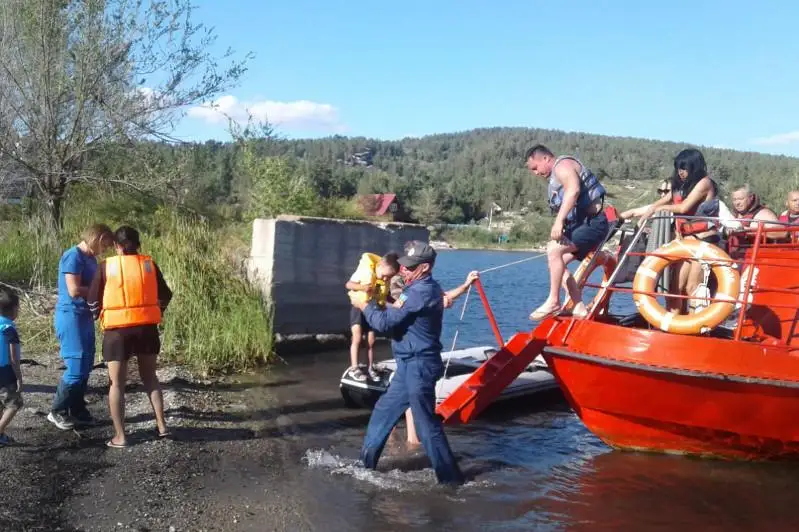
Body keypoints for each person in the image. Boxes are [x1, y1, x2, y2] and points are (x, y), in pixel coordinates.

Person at [350, 240, 463, 484]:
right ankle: (364, 466)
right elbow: (395, 315)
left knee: (425, 423)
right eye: (403, 266)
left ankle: (451, 480)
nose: (404, 271)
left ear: (425, 268)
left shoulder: (421, 292)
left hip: (420, 365)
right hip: (408, 364)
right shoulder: (415, 289)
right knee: (384, 410)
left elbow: (383, 324)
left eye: (410, 267)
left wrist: (365, 304)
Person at [87, 226, 172, 448]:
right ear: (139, 244)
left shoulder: (106, 266)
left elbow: (92, 299)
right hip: (147, 329)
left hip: (117, 333)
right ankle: (162, 427)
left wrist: (96, 316)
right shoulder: (149, 265)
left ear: (116, 245)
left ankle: (121, 437)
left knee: (117, 384)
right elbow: (166, 294)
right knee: (150, 378)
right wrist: (156, 311)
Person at [621, 149, 721, 313]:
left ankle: (693, 327)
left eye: (685, 168)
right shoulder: (680, 184)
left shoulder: (704, 183)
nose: (681, 172)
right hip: (686, 241)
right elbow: (665, 200)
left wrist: (655, 211)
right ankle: (674, 324)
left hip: (703, 241)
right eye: (679, 168)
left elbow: (683, 207)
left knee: (691, 287)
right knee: (675, 288)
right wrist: (651, 209)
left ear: (694, 167)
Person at [390, 269, 480, 446]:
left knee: (408, 393)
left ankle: (406, 438)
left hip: (418, 346)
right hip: (408, 346)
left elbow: (442, 296)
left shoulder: (424, 285)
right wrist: (436, 301)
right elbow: (400, 303)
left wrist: (466, 284)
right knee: (409, 393)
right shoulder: (399, 282)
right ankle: (410, 440)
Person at [525, 144, 609, 320]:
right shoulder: (556, 175)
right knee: (556, 263)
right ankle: (578, 306)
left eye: (535, 167)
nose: (536, 173)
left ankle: (553, 301)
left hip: (594, 223)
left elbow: (574, 190)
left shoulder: (562, 166)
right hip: (581, 225)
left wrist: (559, 221)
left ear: (546, 159)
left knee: (553, 250)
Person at [48, 223, 115, 431]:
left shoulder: (91, 259)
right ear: (98, 238)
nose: (105, 249)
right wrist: (101, 293)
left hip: (85, 316)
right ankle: (57, 410)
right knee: (76, 366)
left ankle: (77, 407)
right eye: (105, 244)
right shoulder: (73, 256)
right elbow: (74, 289)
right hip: (71, 316)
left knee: (86, 363)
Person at [345, 252, 400, 382]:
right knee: (357, 338)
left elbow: (384, 296)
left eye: (389, 278)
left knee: (371, 341)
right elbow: (348, 284)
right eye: (386, 276)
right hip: (358, 308)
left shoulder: (383, 280)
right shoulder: (366, 273)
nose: (386, 279)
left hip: (373, 310)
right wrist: (363, 287)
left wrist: (395, 302)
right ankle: (354, 368)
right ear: (380, 265)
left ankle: (370, 367)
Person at [0, 288, 22, 445]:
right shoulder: (9, 329)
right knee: (14, 403)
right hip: (5, 371)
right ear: (14, 309)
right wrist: (19, 377)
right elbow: (14, 358)